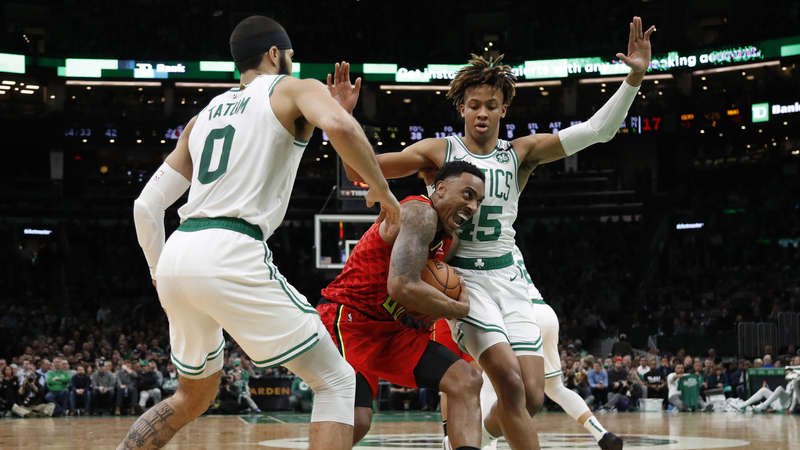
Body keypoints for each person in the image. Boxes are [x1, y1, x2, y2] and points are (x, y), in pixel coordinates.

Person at [338, 16, 653, 450]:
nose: (481, 112)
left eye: (491, 104)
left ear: (505, 108)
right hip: (465, 280)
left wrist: (633, 78)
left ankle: (476, 438)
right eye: (473, 104)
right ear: (461, 108)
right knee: (506, 381)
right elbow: (362, 169)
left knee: (532, 396)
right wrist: (342, 121)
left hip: (511, 279)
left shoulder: (521, 153)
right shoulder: (439, 152)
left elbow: (597, 132)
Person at [125, 15, 401, 450]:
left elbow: (146, 206)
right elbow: (342, 129)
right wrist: (383, 192)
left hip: (178, 254)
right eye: (290, 56)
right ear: (275, 54)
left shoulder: (204, 116)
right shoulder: (294, 87)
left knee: (190, 396)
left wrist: (160, 273)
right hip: (230, 247)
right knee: (336, 380)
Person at [318, 161, 486, 450]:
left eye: (478, 201)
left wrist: (425, 315)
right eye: (468, 195)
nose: (473, 207)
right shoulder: (418, 212)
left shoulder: (449, 241)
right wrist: (457, 309)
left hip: (387, 329)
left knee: (466, 380)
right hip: (346, 319)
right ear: (441, 189)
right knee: (357, 419)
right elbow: (402, 286)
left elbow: (418, 295)